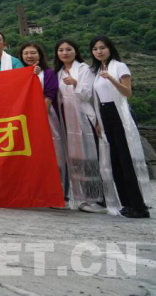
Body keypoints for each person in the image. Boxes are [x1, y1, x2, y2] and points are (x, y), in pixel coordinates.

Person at [89, 36, 152, 218]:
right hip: (105, 114)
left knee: (126, 160)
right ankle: (126, 204)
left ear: (110, 48)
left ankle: (139, 206)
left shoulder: (119, 67)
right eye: (95, 49)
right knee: (115, 160)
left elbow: (127, 92)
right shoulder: (98, 70)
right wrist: (99, 122)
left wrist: (111, 79)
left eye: (102, 48)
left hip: (119, 114)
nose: (99, 51)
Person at [54, 39, 103, 213]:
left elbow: (89, 94)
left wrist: (75, 83)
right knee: (74, 159)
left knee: (89, 158)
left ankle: (95, 199)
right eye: (61, 50)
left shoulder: (84, 69)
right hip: (67, 121)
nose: (65, 53)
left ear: (75, 51)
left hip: (84, 118)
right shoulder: (59, 72)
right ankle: (80, 199)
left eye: (68, 49)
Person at [20, 41, 64, 198]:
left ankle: (57, 192)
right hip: (25, 119)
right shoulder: (19, 73)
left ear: (40, 55)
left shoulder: (48, 73)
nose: (29, 56)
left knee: (53, 152)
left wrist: (40, 116)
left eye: (33, 53)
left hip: (46, 117)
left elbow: (49, 95)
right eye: (26, 53)